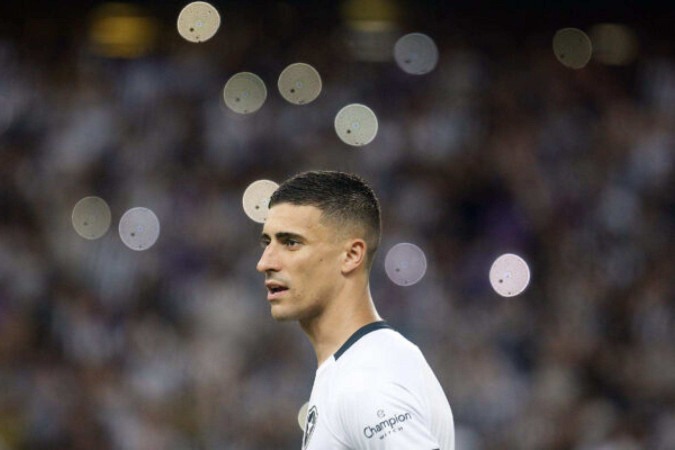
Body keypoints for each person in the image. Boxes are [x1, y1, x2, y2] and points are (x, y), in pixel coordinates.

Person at [256, 170, 455, 450]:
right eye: (267, 243)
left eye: (291, 242)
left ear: (351, 256)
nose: (265, 262)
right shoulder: (355, 365)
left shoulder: (367, 378)